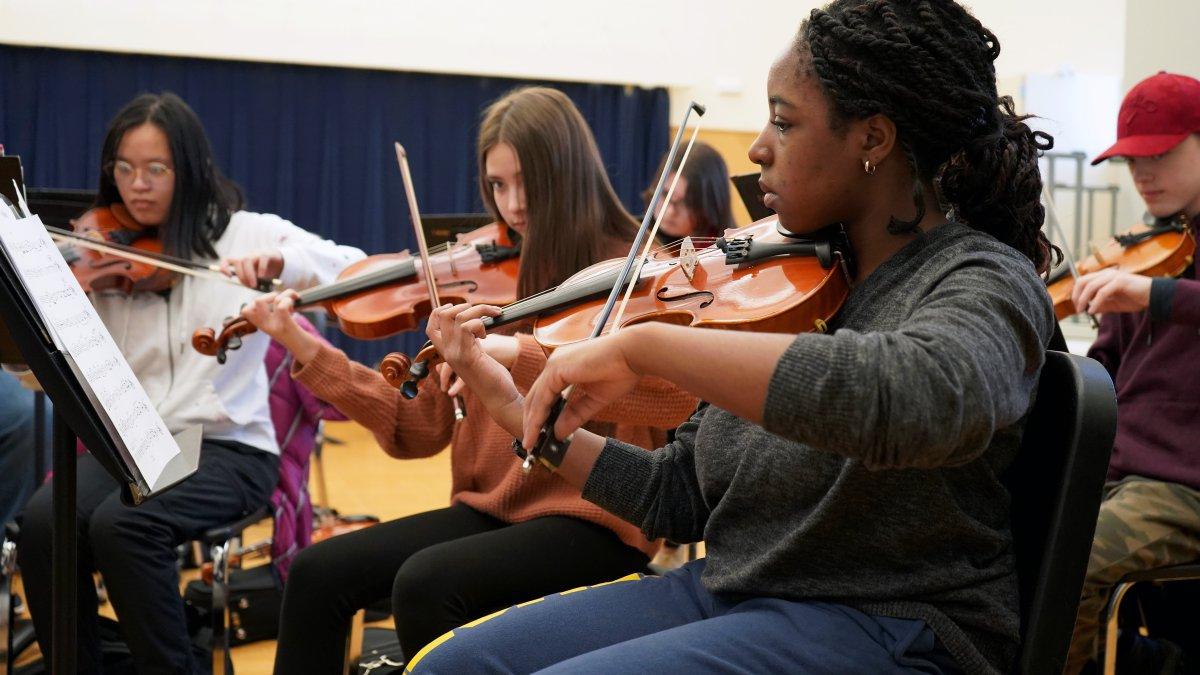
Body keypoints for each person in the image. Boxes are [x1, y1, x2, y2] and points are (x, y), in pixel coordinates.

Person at [408, 0, 1058, 672]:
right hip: (730, 592)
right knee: (449, 667)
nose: (756, 148)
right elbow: (677, 494)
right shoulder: (784, 292)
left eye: (783, 121)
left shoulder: (982, 278)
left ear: (873, 138)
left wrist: (650, 346)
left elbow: (918, 398)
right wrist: (522, 412)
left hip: (889, 623)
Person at [240, 86, 697, 673]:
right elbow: (418, 427)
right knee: (316, 572)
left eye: (526, 181)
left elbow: (672, 399)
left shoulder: (634, 271)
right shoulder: (489, 277)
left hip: (592, 515)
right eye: (498, 186)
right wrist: (304, 344)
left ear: (569, 172)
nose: (512, 205)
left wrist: (515, 356)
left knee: (427, 585)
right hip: (493, 506)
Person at [17, 92, 365, 674]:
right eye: (123, 170)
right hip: (136, 445)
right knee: (43, 526)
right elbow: (38, 375)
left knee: (124, 526)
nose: (138, 186)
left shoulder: (245, 235)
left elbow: (352, 268)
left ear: (191, 170)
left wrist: (285, 267)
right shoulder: (102, 251)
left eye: (157, 170)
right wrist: (40, 324)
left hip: (226, 447)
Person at [1064, 71, 1200, 674]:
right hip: (1119, 468)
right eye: (1132, 161)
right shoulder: (1147, 248)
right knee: (1004, 532)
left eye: (1162, 155)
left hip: (1184, 484)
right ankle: (1148, 663)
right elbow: (1112, 371)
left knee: (1074, 557)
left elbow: (1166, 300)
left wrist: (1153, 295)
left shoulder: (1150, 278)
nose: (1143, 174)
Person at [643, 141, 734, 244]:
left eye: (685, 203)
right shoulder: (640, 235)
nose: (670, 212)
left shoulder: (723, 251)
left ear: (708, 206)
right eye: (665, 194)